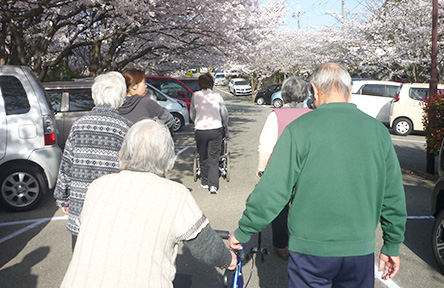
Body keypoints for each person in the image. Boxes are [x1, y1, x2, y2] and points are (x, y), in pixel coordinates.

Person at [229, 63, 407, 287]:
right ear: (350, 89)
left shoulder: (299, 129)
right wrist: (392, 244)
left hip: (310, 252)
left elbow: (273, 190)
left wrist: (244, 230)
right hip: (358, 250)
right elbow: (392, 195)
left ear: (314, 90)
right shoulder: (377, 131)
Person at [60, 119, 236, 288]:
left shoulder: (97, 187)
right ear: (168, 158)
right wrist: (228, 259)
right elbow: (206, 247)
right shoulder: (175, 194)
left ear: (125, 151)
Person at [54, 71, 132, 251]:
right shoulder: (126, 128)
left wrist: (63, 199)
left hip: (82, 208)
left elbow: (66, 166)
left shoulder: (79, 125)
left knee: (82, 265)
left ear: (95, 97)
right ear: (121, 99)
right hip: (114, 210)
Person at [256, 76, 312, 260]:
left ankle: (281, 245)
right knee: (304, 206)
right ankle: (303, 243)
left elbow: (266, 146)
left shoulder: (276, 115)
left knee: (280, 208)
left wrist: (262, 168)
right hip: (308, 170)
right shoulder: (313, 114)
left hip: (282, 171)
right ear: (305, 95)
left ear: (284, 95)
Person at [190, 72, 228, 194]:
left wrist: (196, 121)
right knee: (214, 158)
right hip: (215, 129)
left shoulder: (195, 96)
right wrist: (225, 123)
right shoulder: (217, 96)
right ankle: (213, 185)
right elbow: (224, 113)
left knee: (203, 156)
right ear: (211, 83)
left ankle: (205, 181)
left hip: (200, 130)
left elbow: (192, 113)